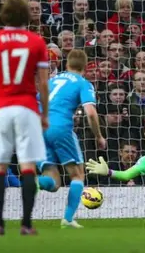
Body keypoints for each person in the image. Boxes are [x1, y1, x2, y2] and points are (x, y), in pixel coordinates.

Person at [0, 0, 51, 236]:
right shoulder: (36, 41)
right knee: (28, 166)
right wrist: (44, 113)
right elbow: (42, 82)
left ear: (3, 16)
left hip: (0, 108)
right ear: (26, 17)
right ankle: (26, 224)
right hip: (27, 107)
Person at [36, 49, 106, 228]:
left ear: (66, 64)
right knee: (77, 175)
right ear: (85, 67)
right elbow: (90, 112)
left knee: (54, 182)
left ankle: (35, 182)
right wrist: (98, 136)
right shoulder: (83, 83)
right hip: (60, 128)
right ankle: (67, 219)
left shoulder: (51, 81)